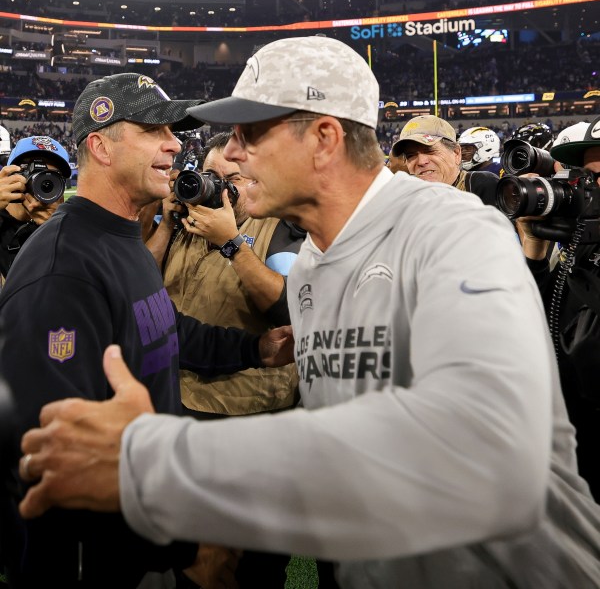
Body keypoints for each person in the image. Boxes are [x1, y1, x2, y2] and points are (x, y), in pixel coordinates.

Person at [16, 36, 600, 589]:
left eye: (250, 131)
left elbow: (489, 448)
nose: (231, 152)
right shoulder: (313, 269)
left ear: (323, 138)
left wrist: (160, 466)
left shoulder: (455, 230)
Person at [0, 72, 293, 589]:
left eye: (174, 130)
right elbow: (52, 450)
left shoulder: (122, 237)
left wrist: (254, 348)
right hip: (100, 558)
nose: (175, 143)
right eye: (153, 130)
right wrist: (175, 547)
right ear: (101, 147)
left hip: (142, 530)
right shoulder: (63, 264)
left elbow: (160, 326)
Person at [160, 131, 305, 587]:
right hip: (182, 408)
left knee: (253, 567)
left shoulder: (282, 225)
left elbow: (288, 310)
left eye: (231, 179)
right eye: (209, 176)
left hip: (253, 419)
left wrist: (232, 243)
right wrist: (164, 225)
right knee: (187, 559)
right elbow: (140, 296)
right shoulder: (184, 223)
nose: (215, 189)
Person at [517, 115, 600, 502]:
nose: (588, 191)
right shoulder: (583, 249)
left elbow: (583, 352)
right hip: (573, 468)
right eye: (586, 177)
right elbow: (531, 337)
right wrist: (535, 253)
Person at [0, 136, 70, 282]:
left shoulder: (69, 228)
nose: (42, 181)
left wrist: (56, 230)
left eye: (52, 176)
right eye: (30, 170)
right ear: (10, 174)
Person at [392, 114, 500, 206]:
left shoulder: (482, 186)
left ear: (456, 153)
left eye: (430, 151)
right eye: (411, 155)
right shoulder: (406, 200)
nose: (421, 161)